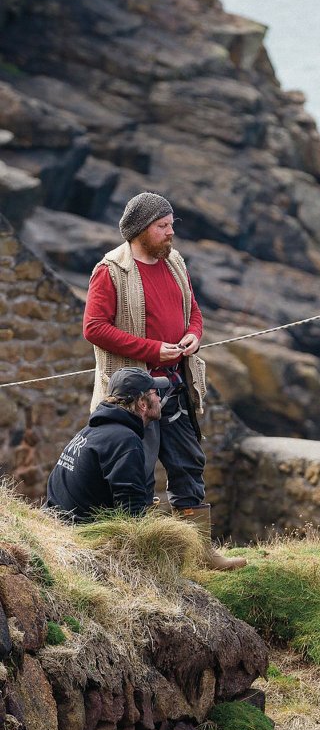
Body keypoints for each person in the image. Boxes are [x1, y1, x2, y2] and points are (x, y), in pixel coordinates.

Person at [83, 192, 245, 570]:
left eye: (171, 225)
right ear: (141, 230)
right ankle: (136, 561)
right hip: (134, 397)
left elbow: (194, 310)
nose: (171, 233)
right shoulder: (110, 271)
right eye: (163, 227)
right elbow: (93, 328)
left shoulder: (173, 261)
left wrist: (193, 335)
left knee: (189, 465)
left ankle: (202, 555)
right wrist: (153, 350)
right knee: (134, 474)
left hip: (175, 387)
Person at [46, 368, 167, 521]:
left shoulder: (90, 431)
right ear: (142, 403)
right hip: (79, 534)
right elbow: (131, 512)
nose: (159, 398)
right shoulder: (125, 441)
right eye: (155, 393)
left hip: (54, 522)